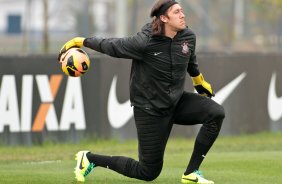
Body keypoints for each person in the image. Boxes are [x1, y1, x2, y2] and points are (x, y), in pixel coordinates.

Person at [58, 0, 225, 183]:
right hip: (150, 109)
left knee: (216, 113)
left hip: (176, 101)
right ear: (163, 18)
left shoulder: (188, 36)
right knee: (148, 172)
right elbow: (111, 45)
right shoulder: (144, 42)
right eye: (177, 12)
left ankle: (191, 173)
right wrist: (79, 41)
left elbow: (190, 60)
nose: (182, 15)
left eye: (182, 11)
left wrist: (199, 81)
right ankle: (89, 159)